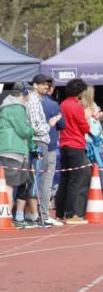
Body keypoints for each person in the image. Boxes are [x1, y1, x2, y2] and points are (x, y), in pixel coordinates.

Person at [0, 83, 39, 229]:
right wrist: (33, 130)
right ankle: (6, 216)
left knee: (16, 184)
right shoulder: (16, 107)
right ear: (24, 93)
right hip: (12, 149)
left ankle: (12, 216)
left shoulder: (12, 106)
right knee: (10, 184)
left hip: (15, 149)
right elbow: (23, 130)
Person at [55, 78, 92, 224]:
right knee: (75, 181)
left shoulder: (63, 104)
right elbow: (85, 128)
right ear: (80, 92)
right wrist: (87, 117)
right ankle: (71, 215)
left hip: (64, 144)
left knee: (64, 180)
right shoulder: (76, 106)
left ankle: (59, 213)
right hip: (76, 145)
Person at [32, 75, 65, 225]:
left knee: (30, 181)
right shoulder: (52, 105)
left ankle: (27, 214)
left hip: (31, 144)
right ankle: (44, 215)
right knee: (45, 182)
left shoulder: (29, 100)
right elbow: (62, 125)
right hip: (47, 144)